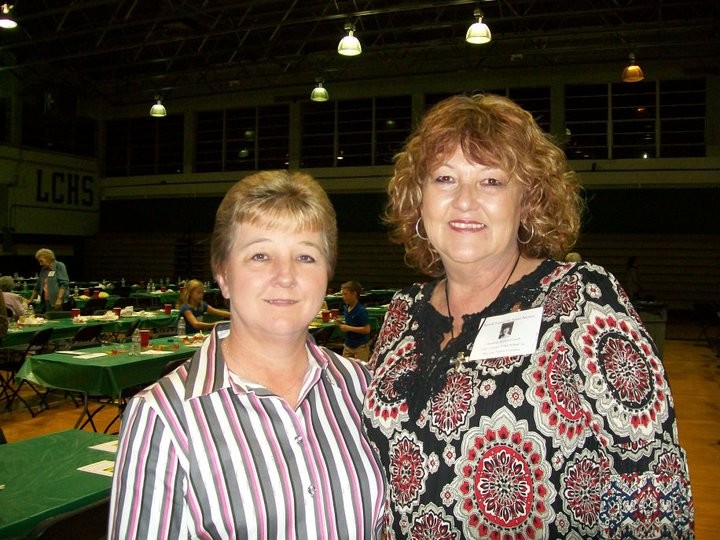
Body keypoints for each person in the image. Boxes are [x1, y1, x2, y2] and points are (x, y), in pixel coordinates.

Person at [363, 94, 694, 538]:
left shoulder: (581, 301)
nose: (464, 201)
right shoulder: (402, 313)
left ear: (527, 202)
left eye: (491, 181)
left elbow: (653, 488)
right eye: (445, 178)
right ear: (419, 199)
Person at [109, 170, 386, 538]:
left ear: (327, 274)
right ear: (223, 274)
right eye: (260, 255)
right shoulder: (161, 417)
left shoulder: (365, 388)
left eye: (306, 256)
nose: (285, 275)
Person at [334, 279, 372, 362]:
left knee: (360, 367)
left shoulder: (361, 310)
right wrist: (341, 323)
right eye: (342, 294)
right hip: (348, 345)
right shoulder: (346, 308)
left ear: (354, 294)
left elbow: (366, 329)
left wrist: (349, 328)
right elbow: (352, 323)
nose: (343, 297)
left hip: (360, 346)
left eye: (345, 294)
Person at [28, 248, 70, 313]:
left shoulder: (59, 266)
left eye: (41, 261)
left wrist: (59, 299)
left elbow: (64, 284)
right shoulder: (43, 269)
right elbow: (38, 286)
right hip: (46, 302)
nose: (40, 264)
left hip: (58, 302)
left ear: (48, 258)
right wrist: (30, 300)